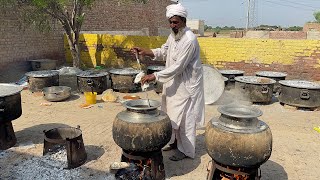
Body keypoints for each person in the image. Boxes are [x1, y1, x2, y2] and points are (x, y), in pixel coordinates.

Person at [131, 3, 205, 161]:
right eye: (170, 22)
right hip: (174, 83)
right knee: (171, 114)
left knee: (185, 119)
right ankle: (174, 142)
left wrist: (154, 76)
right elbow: (164, 51)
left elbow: (178, 67)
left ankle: (186, 150)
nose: (172, 25)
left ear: (184, 21)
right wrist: (147, 51)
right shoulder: (173, 35)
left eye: (176, 22)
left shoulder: (189, 40)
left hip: (187, 85)